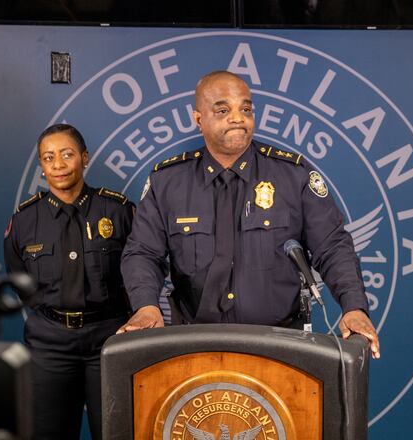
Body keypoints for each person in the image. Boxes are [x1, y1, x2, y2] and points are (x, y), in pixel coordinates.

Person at [117, 70, 380, 359]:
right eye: (222, 110)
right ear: (198, 119)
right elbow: (143, 253)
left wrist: (353, 307)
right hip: (194, 346)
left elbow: (332, 247)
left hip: (281, 346)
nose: (237, 117)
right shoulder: (167, 182)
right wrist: (146, 306)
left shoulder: (293, 176)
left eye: (246, 108)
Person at [3, 124, 135, 439]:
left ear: (84, 158)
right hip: (49, 344)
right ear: (42, 166)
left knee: (115, 432)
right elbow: (18, 278)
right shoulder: (24, 220)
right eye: (49, 158)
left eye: (67, 155)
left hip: (109, 339)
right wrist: (52, 313)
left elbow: (140, 266)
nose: (59, 165)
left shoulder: (118, 211)